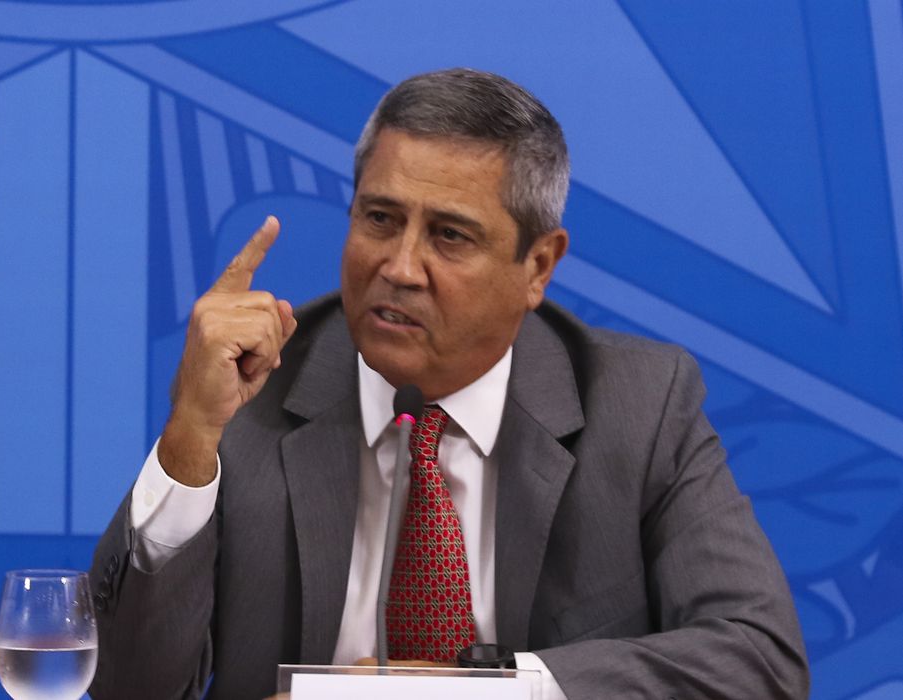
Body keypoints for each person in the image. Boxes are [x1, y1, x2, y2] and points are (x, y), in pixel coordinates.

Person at [88, 68, 809, 699]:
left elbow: (759, 662)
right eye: (380, 219)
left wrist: (476, 692)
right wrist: (190, 437)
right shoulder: (253, 386)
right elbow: (131, 690)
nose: (400, 267)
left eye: (450, 235)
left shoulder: (640, 405)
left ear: (538, 266)